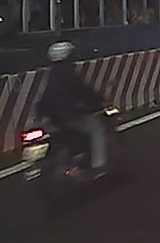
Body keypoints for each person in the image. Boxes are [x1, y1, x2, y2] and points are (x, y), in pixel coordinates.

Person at [36, 41, 107, 172]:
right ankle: (98, 164)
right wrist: (98, 100)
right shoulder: (68, 73)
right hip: (68, 116)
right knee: (96, 128)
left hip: (50, 117)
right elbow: (84, 91)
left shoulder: (51, 74)